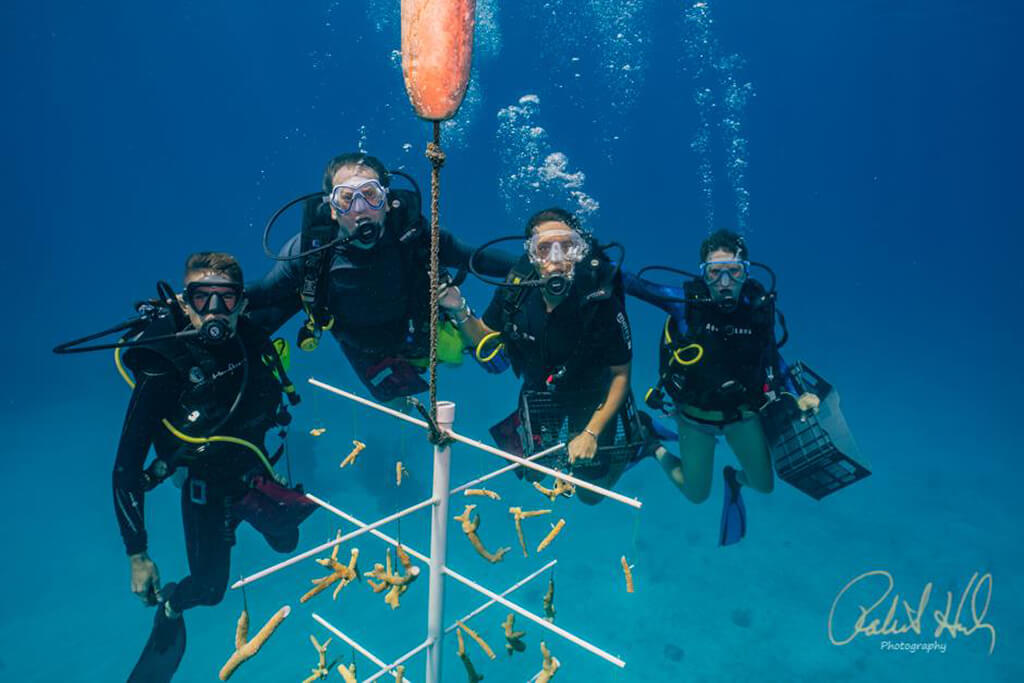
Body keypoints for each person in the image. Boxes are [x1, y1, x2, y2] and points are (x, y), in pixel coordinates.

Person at [111, 253, 317, 681]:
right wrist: (138, 554)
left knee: (288, 541)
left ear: (243, 303)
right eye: (201, 298)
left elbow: (305, 293)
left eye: (226, 299)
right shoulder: (163, 365)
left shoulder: (250, 332)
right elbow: (126, 466)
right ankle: (172, 604)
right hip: (203, 482)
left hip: (253, 469)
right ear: (184, 304)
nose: (214, 312)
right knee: (210, 590)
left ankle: (237, 519)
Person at [247, 152, 516, 405]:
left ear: (386, 202)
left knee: (496, 361)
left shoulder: (418, 237)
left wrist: (541, 267)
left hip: (419, 333)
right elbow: (265, 292)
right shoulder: (310, 252)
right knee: (396, 403)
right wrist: (213, 296)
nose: (360, 209)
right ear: (331, 208)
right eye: (346, 199)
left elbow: (477, 260)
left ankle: (462, 318)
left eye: (370, 195)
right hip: (362, 347)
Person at [625, 230, 818, 545]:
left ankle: (734, 479)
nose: (725, 281)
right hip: (695, 417)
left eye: (734, 271)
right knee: (696, 493)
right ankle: (652, 447)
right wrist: (590, 265)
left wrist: (799, 395)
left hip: (742, 415)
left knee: (764, 484)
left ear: (746, 271)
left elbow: (773, 355)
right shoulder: (685, 302)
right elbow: (635, 285)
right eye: (715, 272)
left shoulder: (757, 307)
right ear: (703, 273)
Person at [440, 208, 644, 504]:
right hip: (539, 392)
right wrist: (458, 308)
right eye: (544, 248)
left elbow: (621, 375)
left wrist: (591, 432)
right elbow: (485, 336)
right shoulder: (516, 290)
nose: (556, 259)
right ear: (532, 255)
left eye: (567, 247)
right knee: (533, 473)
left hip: (593, 395)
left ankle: (645, 438)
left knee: (589, 493)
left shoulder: (600, 302)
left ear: (580, 251)